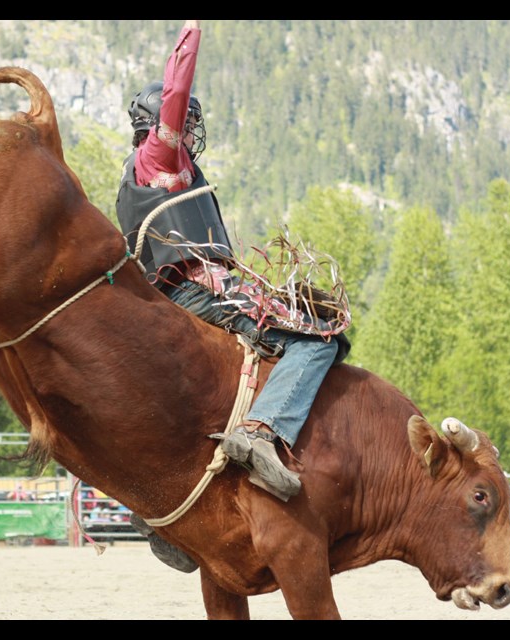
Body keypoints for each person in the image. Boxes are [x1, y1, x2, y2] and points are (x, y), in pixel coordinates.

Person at [116, 20, 350, 571]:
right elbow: (175, 94)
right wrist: (191, 32)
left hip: (185, 291)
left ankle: (169, 515)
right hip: (197, 291)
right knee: (321, 337)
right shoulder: (158, 159)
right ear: (155, 125)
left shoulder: (157, 172)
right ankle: (261, 434)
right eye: (184, 123)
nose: (190, 131)